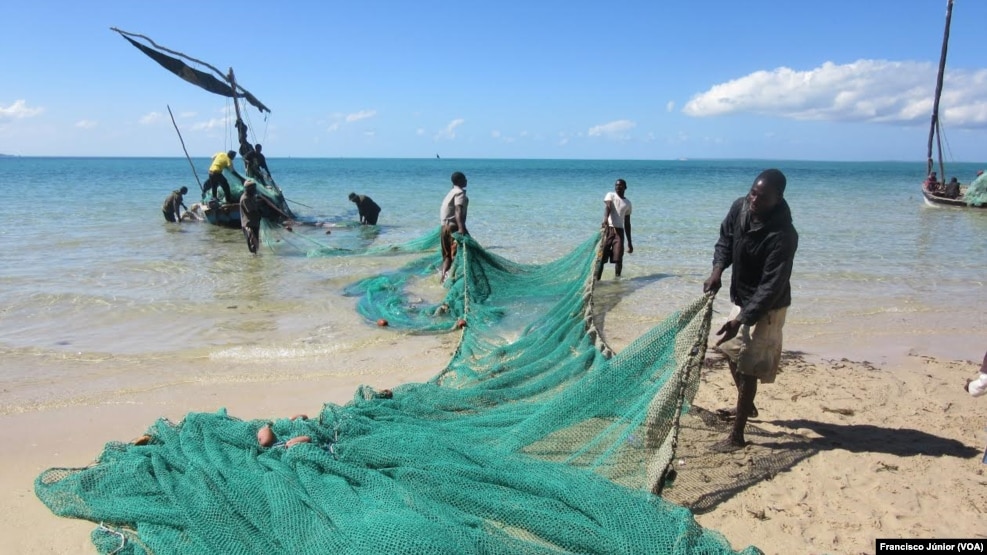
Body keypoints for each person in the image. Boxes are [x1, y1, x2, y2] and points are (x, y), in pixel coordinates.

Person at [703, 168, 799, 453]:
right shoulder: (740, 207)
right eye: (752, 192)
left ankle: (737, 436)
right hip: (742, 298)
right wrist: (717, 271)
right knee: (730, 351)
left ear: (778, 198)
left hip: (768, 307)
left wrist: (743, 318)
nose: (754, 200)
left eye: (762, 196)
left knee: (748, 368)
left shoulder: (783, 235)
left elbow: (771, 285)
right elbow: (725, 240)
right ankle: (748, 405)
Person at [594, 178, 633, 281]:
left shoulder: (628, 203)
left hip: (619, 232)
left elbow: (627, 223)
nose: (618, 187)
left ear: (625, 187)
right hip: (608, 230)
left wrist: (629, 242)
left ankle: (617, 280)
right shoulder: (610, 195)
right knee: (601, 258)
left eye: (620, 185)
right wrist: (605, 219)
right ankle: (597, 280)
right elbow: (608, 207)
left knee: (619, 259)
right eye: (616, 185)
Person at [439, 171, 469, 283]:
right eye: (465, 178)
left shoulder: (451, 192)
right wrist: (461, 228)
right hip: (453, 228)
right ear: (460, 181)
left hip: (444, 227)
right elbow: (458, 210)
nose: (466, 180)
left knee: (447, 257)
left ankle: (442, 279)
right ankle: (453, 281)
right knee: (456, 256)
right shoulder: (459, 193)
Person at [240, 180, 262, 254]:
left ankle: (256, 261)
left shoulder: (251, 196)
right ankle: (254, 260)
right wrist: (261, 213)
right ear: (248, 189)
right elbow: (251, 211)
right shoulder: (245, 199)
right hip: (249, 225)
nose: (255, 190)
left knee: (256, 243)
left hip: (254, 223)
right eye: (253, 188)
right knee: (252, 244)